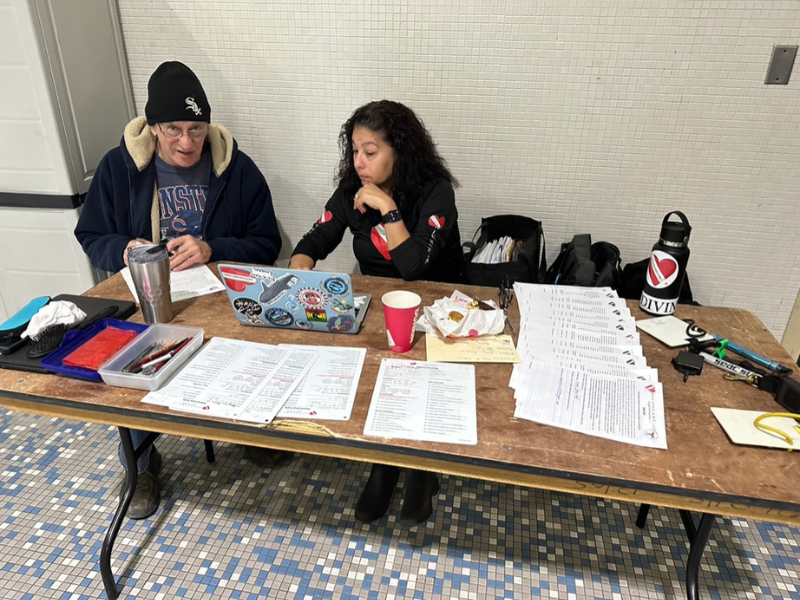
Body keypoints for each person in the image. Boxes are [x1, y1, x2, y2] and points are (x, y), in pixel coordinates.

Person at [75, 61, 287, 519]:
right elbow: (90, 235)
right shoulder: (118, 168)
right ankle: (142, 466)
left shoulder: (237, 168)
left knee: (247, 350)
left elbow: (267, 241)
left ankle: (248, 434)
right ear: (152, 128)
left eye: (196, 128)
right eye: (173, 129)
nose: (187, 142)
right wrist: (123, 248)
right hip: (143, 297)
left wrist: (213, 247)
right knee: (126, 362)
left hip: (218, 299)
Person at [289, 100, 464, 526]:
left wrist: (388, 208)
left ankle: (422, 468)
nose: (360, 162)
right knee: (370, 373)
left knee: (417, 377)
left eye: (371, 152)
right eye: (354, 151)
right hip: (381, 307)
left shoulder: (436, 191)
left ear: (398, 151)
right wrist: (300, 274)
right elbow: (315, 239)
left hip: (438, 310)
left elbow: (412, 267)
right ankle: (383, 465)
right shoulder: (352, 190)